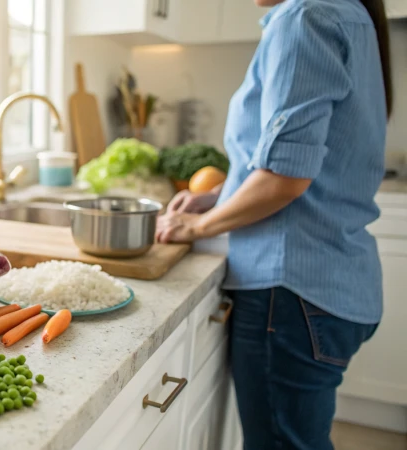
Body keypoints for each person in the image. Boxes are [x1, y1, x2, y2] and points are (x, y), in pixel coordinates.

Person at [155, 0, 393, 449]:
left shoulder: (305, 17)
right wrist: (214, 200)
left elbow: (284, 179)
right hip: (336, 283)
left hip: (291, 294)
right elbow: (309, 165)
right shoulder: (348, 14)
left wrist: (195, 229)